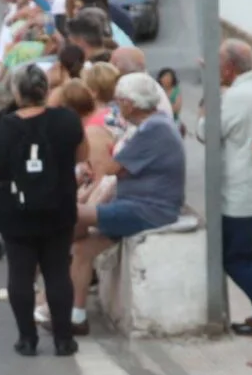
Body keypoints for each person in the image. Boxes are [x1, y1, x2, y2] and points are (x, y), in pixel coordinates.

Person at [0, 64, 83, 357]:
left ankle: (27, 339)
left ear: (16, 92)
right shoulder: (67, 121)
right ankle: (63, 339)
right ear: (45, 90)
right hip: (58, 206)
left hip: (15, 210)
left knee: (20, 274)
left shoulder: (2, 127)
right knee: (58, 271)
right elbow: (82, 155)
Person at [69, 75, 188, 337]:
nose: (117, 108)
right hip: (135, 204)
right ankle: (75, 317)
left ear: (129, 104)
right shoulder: (154, 125)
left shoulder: (153, 129)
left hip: (147, 209)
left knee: (71, 213)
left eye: (119, 102)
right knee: (82, 249)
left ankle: (51, 281)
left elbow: (113, 168)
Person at [216, 40, 252, 336]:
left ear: (228, 67)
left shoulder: (235, 96)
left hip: (239, 191)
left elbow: (208, 131)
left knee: (235, 256)